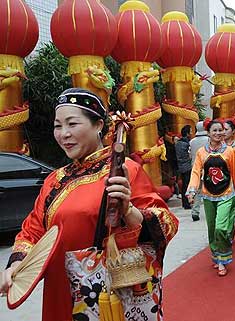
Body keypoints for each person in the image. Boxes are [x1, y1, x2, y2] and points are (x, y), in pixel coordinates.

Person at [0, 88, 179, 320]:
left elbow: (166, 224)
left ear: (98, 126)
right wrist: (16, 265)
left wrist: (128, 211)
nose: (64, 134)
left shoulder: (125, 171)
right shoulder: (55, 180)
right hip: (59, 289)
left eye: (72, 124)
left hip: (106, 291)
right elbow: (33, 230)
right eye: (58, 126)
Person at [186, 119, 235, 277]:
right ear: (208, 133)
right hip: (208, 195)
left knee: (221, 227)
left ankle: (223, 259)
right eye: (215, 131)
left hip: (226, 194)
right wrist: (192, 191)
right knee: (212, 229)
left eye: (221, 130)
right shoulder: (201, 152)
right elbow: (196, 172)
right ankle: (216, 255)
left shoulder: (229, 151)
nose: (219, 133)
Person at [189, 121, 209, 221]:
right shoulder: (208, 140)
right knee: (208, 189)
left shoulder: (192, 142)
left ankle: (195, 211)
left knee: (196, 189)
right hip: (208, 167)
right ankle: (209, 209)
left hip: (195, 167)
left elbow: (190, 155)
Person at [175, 125, 193, 209]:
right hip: (187, 166)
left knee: (184, 185)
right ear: (187, 133)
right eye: (191, 131)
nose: (192, 133)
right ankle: (187, 203)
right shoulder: (187, 144)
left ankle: (184, 202)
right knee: (187, 185)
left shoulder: (178, 143)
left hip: (180, 166)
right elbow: (189, 155)